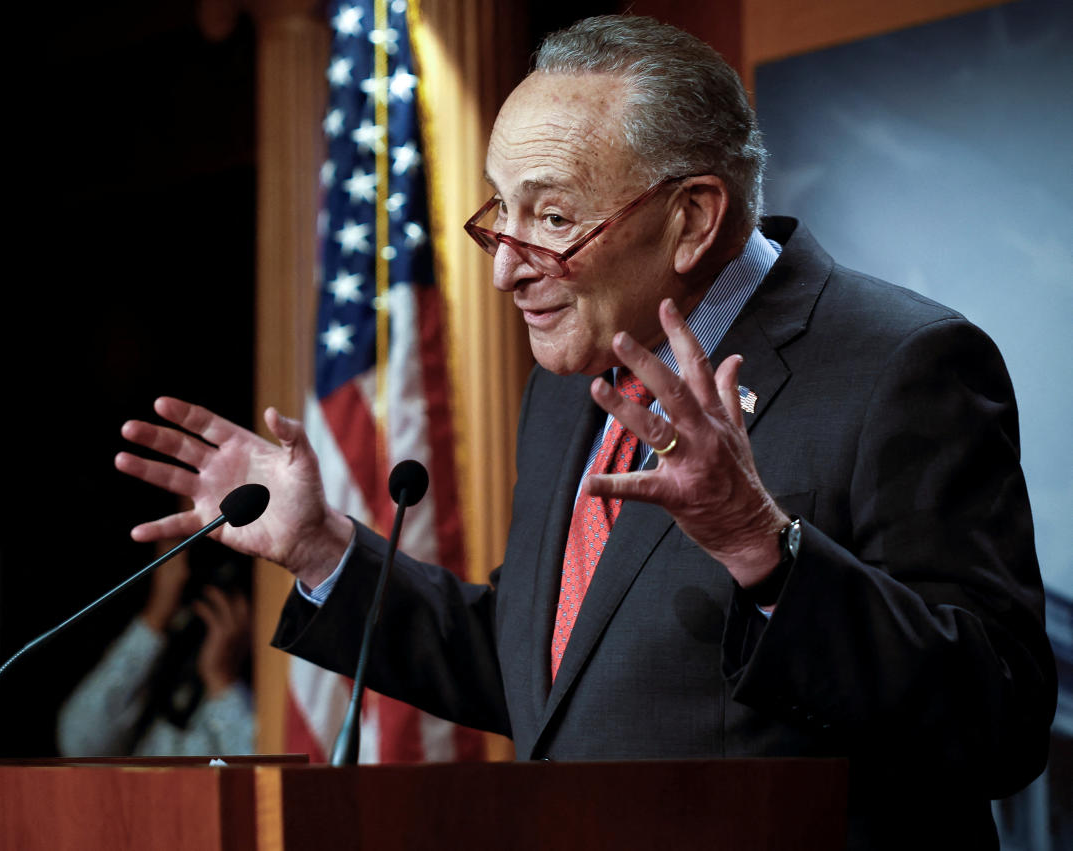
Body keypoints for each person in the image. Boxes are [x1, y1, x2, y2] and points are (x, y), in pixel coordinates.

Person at [112, 15, 1054, 848]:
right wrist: (323, 550)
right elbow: (549, 671)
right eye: (501, 211)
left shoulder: (905, 364)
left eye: (552, 216)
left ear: (692, 219)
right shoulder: (571, 386)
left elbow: (1001, 718)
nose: (505, 272)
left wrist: (765, 551)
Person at [56, 553, 256, 757]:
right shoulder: (163, 649)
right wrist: (155, 617)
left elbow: (272, 772)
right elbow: (81, 742)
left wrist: (222, 680)